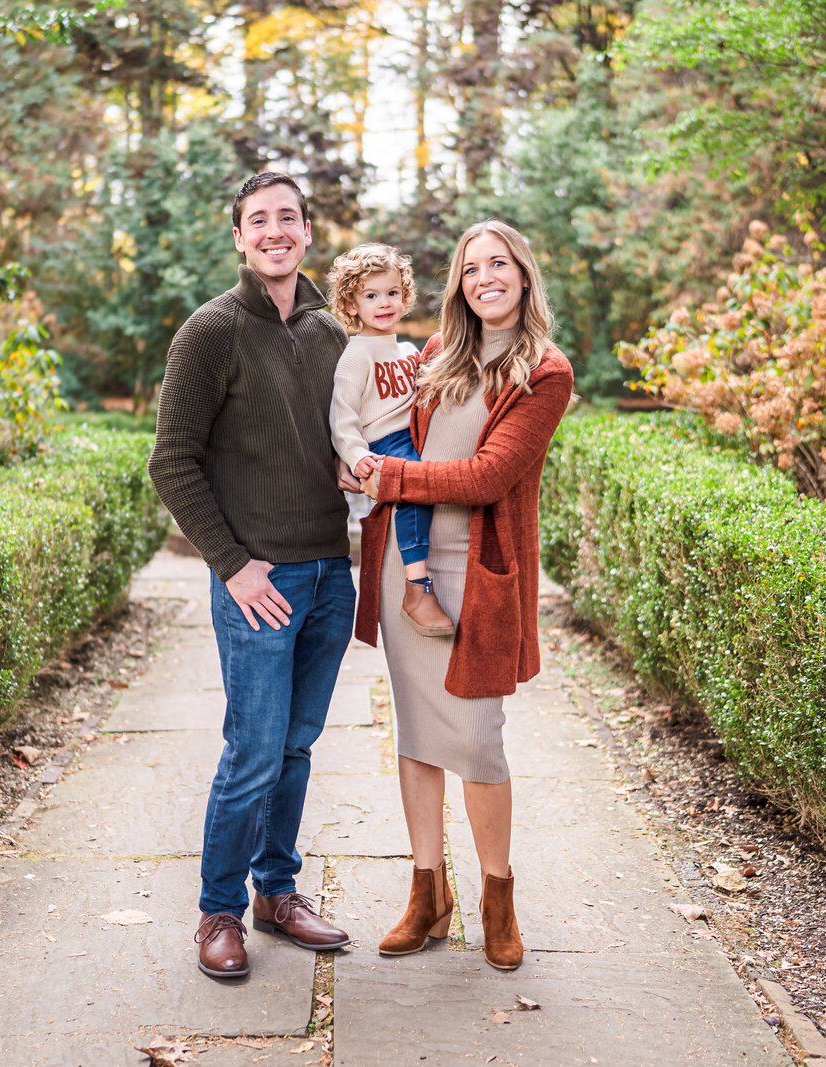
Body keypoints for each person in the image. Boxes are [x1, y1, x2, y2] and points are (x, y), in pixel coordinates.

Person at [148, 172, 355, 980]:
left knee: (297, 749)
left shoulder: (331, 334)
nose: (274, 231)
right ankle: (219, 911)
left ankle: (278, 891)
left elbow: (343, 441)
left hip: (329, 576)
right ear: (239, 236)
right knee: (253, 752)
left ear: (307, 231)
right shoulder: (211, 331)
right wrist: (231, 567)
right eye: (257, 220)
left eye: (287, 218)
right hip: (258, 583)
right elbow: (171, 461)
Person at [356, 218, 573, 971]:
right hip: (406, 568)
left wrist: (392, 479)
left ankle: (498, 896)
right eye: (470, 267)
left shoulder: (545, 370)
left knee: (479, 740)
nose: (484, 277)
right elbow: (376, 426)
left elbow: (487, 476)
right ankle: (428, 893)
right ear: (459, 284)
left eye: (498, 263)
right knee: (416, 732)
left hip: (481, 574)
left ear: (522, 272)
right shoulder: (433, 358)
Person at [326, 243, 454, 638]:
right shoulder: (355, 355)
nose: (384, 303)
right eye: (370, 295)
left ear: (405, 296)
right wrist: (356, 455)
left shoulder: (408, 350)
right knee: (416, 486)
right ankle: (418, 588)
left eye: (392, 293)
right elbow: (342, 415)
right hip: (385, 443)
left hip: (417, 432)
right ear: (351, 305)